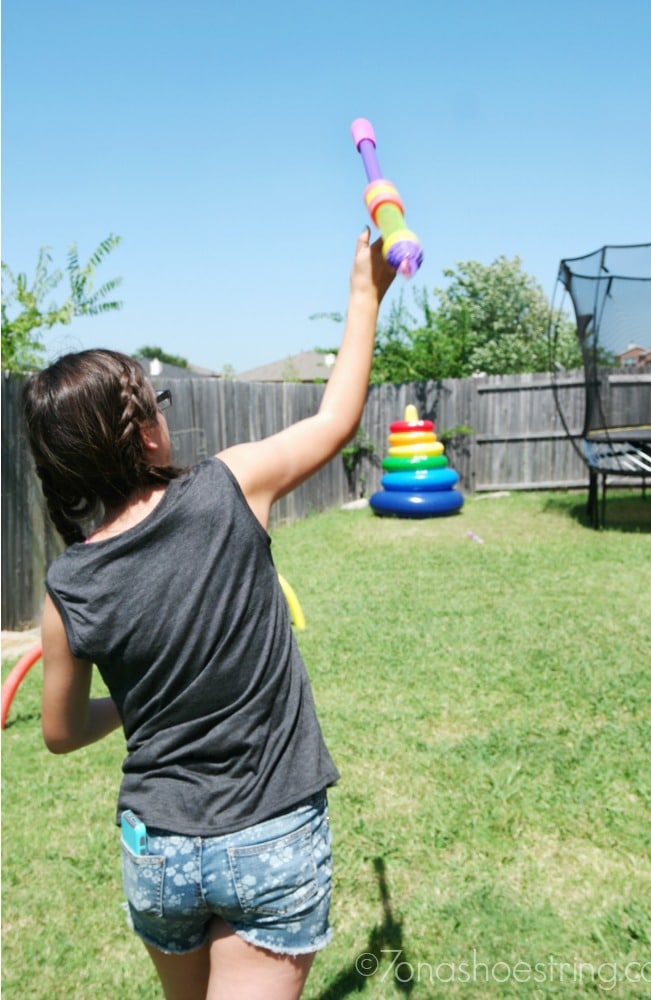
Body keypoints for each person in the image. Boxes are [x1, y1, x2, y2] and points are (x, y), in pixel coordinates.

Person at [22, 229, 395, 1000]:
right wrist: (365, 294)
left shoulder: (68, 585)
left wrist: (133, 704)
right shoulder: (232, 484)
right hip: (269, 833)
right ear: (144, 430)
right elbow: (335, 420)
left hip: (156, 852)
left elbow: (59, 732)